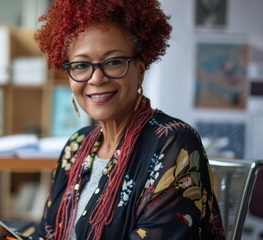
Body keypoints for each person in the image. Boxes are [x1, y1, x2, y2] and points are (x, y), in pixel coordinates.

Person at [12, 0, 226, 239]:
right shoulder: (77, 146)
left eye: (113, 62)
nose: (96, 78)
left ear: (140, 70)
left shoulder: (174, 143)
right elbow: (48, 232)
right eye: (82, 65)